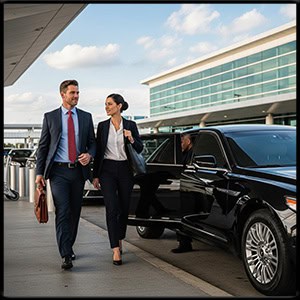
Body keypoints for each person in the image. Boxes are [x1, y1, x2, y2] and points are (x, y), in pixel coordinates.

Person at [35, 79, 96, 270]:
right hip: (58, 172)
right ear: (63, 94)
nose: (76, 96)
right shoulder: (50, 117)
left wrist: (89, 154)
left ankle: (68, 245)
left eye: (78, 93)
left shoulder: (86, 117)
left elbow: (93, 143)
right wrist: (39, 173)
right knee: (63, 211)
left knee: (75, 212)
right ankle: (65, 254)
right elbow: (43, 147)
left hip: (78, 172)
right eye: (73, 93)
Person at [92, 93, 143, 266]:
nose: (106, 107)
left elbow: (140, 148)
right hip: (107, 169)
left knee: (123, 209)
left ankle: (119, 238)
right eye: (105, 104)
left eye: (109, 104)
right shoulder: (102, 126)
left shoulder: (130, 125)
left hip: (125, 170)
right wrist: (95, 175)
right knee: (111, 208)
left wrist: (131, 138)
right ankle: (115, 248)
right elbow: (99, 151)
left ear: (119, 106)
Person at [171, 133, 194, 253]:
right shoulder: (183, 154)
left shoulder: (192, 155)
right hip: (184, 188)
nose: (180, 144)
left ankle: (185, 243)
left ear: (188, 142)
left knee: (182, 214)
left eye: (182, 142)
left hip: (189, 189)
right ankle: (184, 242)